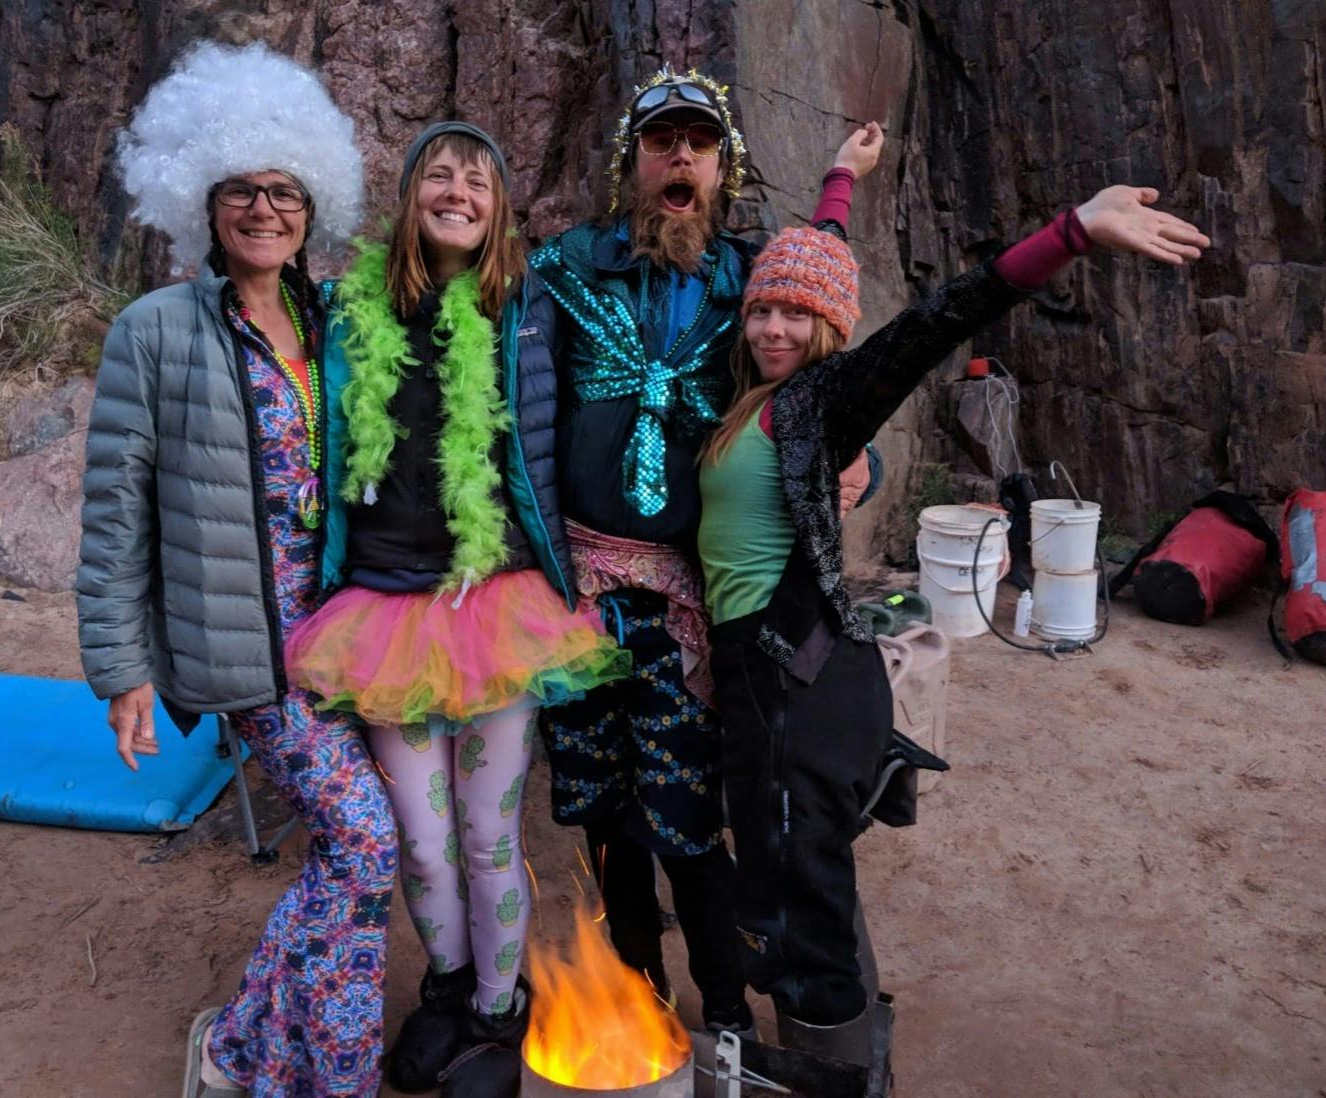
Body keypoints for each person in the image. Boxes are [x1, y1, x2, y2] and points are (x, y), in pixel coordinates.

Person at [699, 181, 1210, 1049]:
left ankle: (835, 1058)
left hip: (793, 675)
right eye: (762, 312)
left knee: (796, 893)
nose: (773, 329)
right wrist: (837, 186)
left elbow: (935, 321)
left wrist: (1073, 232)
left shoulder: (821, 400)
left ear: (828, 329)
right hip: (769, 674)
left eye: (795, 315)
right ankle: (844, 1042)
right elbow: (808, 259)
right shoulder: (754, 400)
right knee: (796, 868)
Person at [525, 68, 878, 1034]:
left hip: (687, 602)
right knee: (602, 812)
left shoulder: (750, 283)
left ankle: (723, 1011)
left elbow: (822, 372)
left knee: (683, 815)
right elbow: (507, 401)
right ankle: (637, 1000)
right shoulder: (562, 269)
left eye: (699, 143)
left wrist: (864, 464)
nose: (680, 156)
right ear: (631, 163)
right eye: (660, 142)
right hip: (575, 592)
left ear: (723, 168)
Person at [75, 41, 396, 1098]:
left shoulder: (333, 317)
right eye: (241, 191)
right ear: (203, 203)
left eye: (284, 191)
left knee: (352, 854)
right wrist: (120, 668)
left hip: (350, 631)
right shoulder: (154, 333)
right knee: (362, 842)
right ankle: (319, 1074)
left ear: (313, 204)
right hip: (246, 645)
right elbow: (115, 517)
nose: (264, 209)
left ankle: (247, 1042)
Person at [284, 122, 629, 1098]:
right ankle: (447, 990)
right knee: (422, 843)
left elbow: (604, 401)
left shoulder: (534, 302)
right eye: (436, 174)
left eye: (476, 180)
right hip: (381, 615)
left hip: (500, 609)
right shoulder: (347, 312)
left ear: (500, 208)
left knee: (487, 836)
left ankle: (498, 1006)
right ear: (409, 201)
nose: (456, 190)